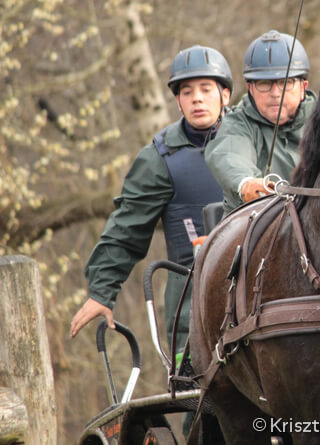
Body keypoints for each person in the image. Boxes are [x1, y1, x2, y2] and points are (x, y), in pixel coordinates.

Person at [70, 45, 233, 361]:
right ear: (178, 101)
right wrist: (101, 291)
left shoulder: (253, 140)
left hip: (261, 300)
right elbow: (126, 229)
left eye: (205, 89)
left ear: (225, 95)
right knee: (197, 388)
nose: (197, 99)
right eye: (187, 92)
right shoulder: (160, 158)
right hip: (192, 313)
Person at [205, 30, 316, 215]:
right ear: (250, 88)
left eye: (286, 82)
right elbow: (229, 154)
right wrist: (245, 183)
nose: (276, 93)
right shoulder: (237, 123)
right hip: (254, 221)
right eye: (264, 83)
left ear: (303, 87)